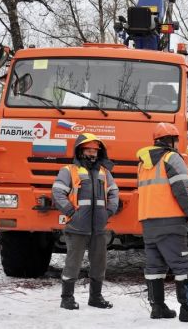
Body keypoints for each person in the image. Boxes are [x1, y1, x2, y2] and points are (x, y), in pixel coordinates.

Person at [136, 122, 188, 322]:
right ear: (171, 141)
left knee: (155, 267)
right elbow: (182, 189)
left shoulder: (143, 164)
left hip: (148, 222)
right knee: (183, 265)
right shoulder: (172, 158)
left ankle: (158, 307)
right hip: (170, 221)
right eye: (176, 139)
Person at [52, 133, 119, 310]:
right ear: (80, 151)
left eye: (95, 150)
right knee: (72, 264)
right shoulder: (69, 170)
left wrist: (109, 211)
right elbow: (57, 192)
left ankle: (95, 298)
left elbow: (114, 193)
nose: (92, 153)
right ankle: (67, 298)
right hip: (76, 227)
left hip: (99, 227)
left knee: (99, 264)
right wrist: (71, 212)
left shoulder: (104, 172)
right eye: (89, 149)